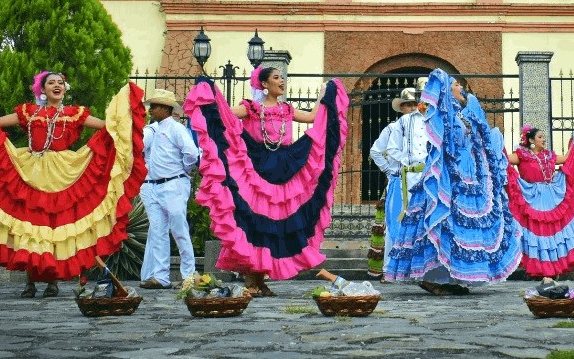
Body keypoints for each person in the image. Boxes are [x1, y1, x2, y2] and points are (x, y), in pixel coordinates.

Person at [0, 71, 146, 298]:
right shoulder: (29, 112)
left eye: (60, 83)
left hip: (65, 171)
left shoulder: (75, 114)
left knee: (56, 226)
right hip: (31, 171)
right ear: (42, 90)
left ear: (65, 88)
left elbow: (107, 127)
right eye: (51, 83)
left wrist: (123, 112)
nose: (56, 85)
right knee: (32, 225)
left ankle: (52, 282)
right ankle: (30, 282)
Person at [182, 65, 349, 297]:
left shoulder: (288, 109)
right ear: (264, 84)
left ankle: (261, 280)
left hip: (285, 165)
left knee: (276, 222)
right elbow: (226, 116)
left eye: (283, 78)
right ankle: (252, 278)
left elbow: (312, 118)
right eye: (276, 78)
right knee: (254, 221)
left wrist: (324, 96)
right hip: (256, 166)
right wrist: (211, 94)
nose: (282, 81)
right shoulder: (251, 108)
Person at [384, 69, 522, 295]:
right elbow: (443, 142)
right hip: (449, 176)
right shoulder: (442, 115)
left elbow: (482, 132)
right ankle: (432, 277)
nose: (461, 87)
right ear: (447, 90)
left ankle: (454, 277)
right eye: (456, 85)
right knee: (444, 223)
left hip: (469, 175)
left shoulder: (463, 113)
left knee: (460, 230)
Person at [506, 125, 574, 278]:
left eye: (543, 137)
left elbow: (568, 158)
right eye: (540, 137)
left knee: (552, 231)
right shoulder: (521, 155)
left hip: (551, 195)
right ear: (531, 140)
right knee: (536, 231)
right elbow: (503, 159)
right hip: (531, 196)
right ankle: (539, 270)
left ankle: (552, 270)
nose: (544, 139)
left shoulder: (549, 155)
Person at [138, 88, 200, 289]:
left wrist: (183, 169)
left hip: (173, 183)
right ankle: (161, 276)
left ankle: (189, 275)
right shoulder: (151, 129)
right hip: (153, 184)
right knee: (158, 231)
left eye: (154, 106)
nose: (151, 110)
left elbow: (191, 153)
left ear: (165, 109)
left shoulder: (176, 128)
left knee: (179, 229)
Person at [365, 83, 422, 279]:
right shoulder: (394, 127)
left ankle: (412, 268)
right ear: (402, 108)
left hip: (419, 178)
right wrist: (391, 170)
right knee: (396, 224)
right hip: (400, 180)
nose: (413, 107)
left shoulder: (424, 125)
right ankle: (390, 268)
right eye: (408, 104)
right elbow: (375, 150)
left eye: (416, 103)